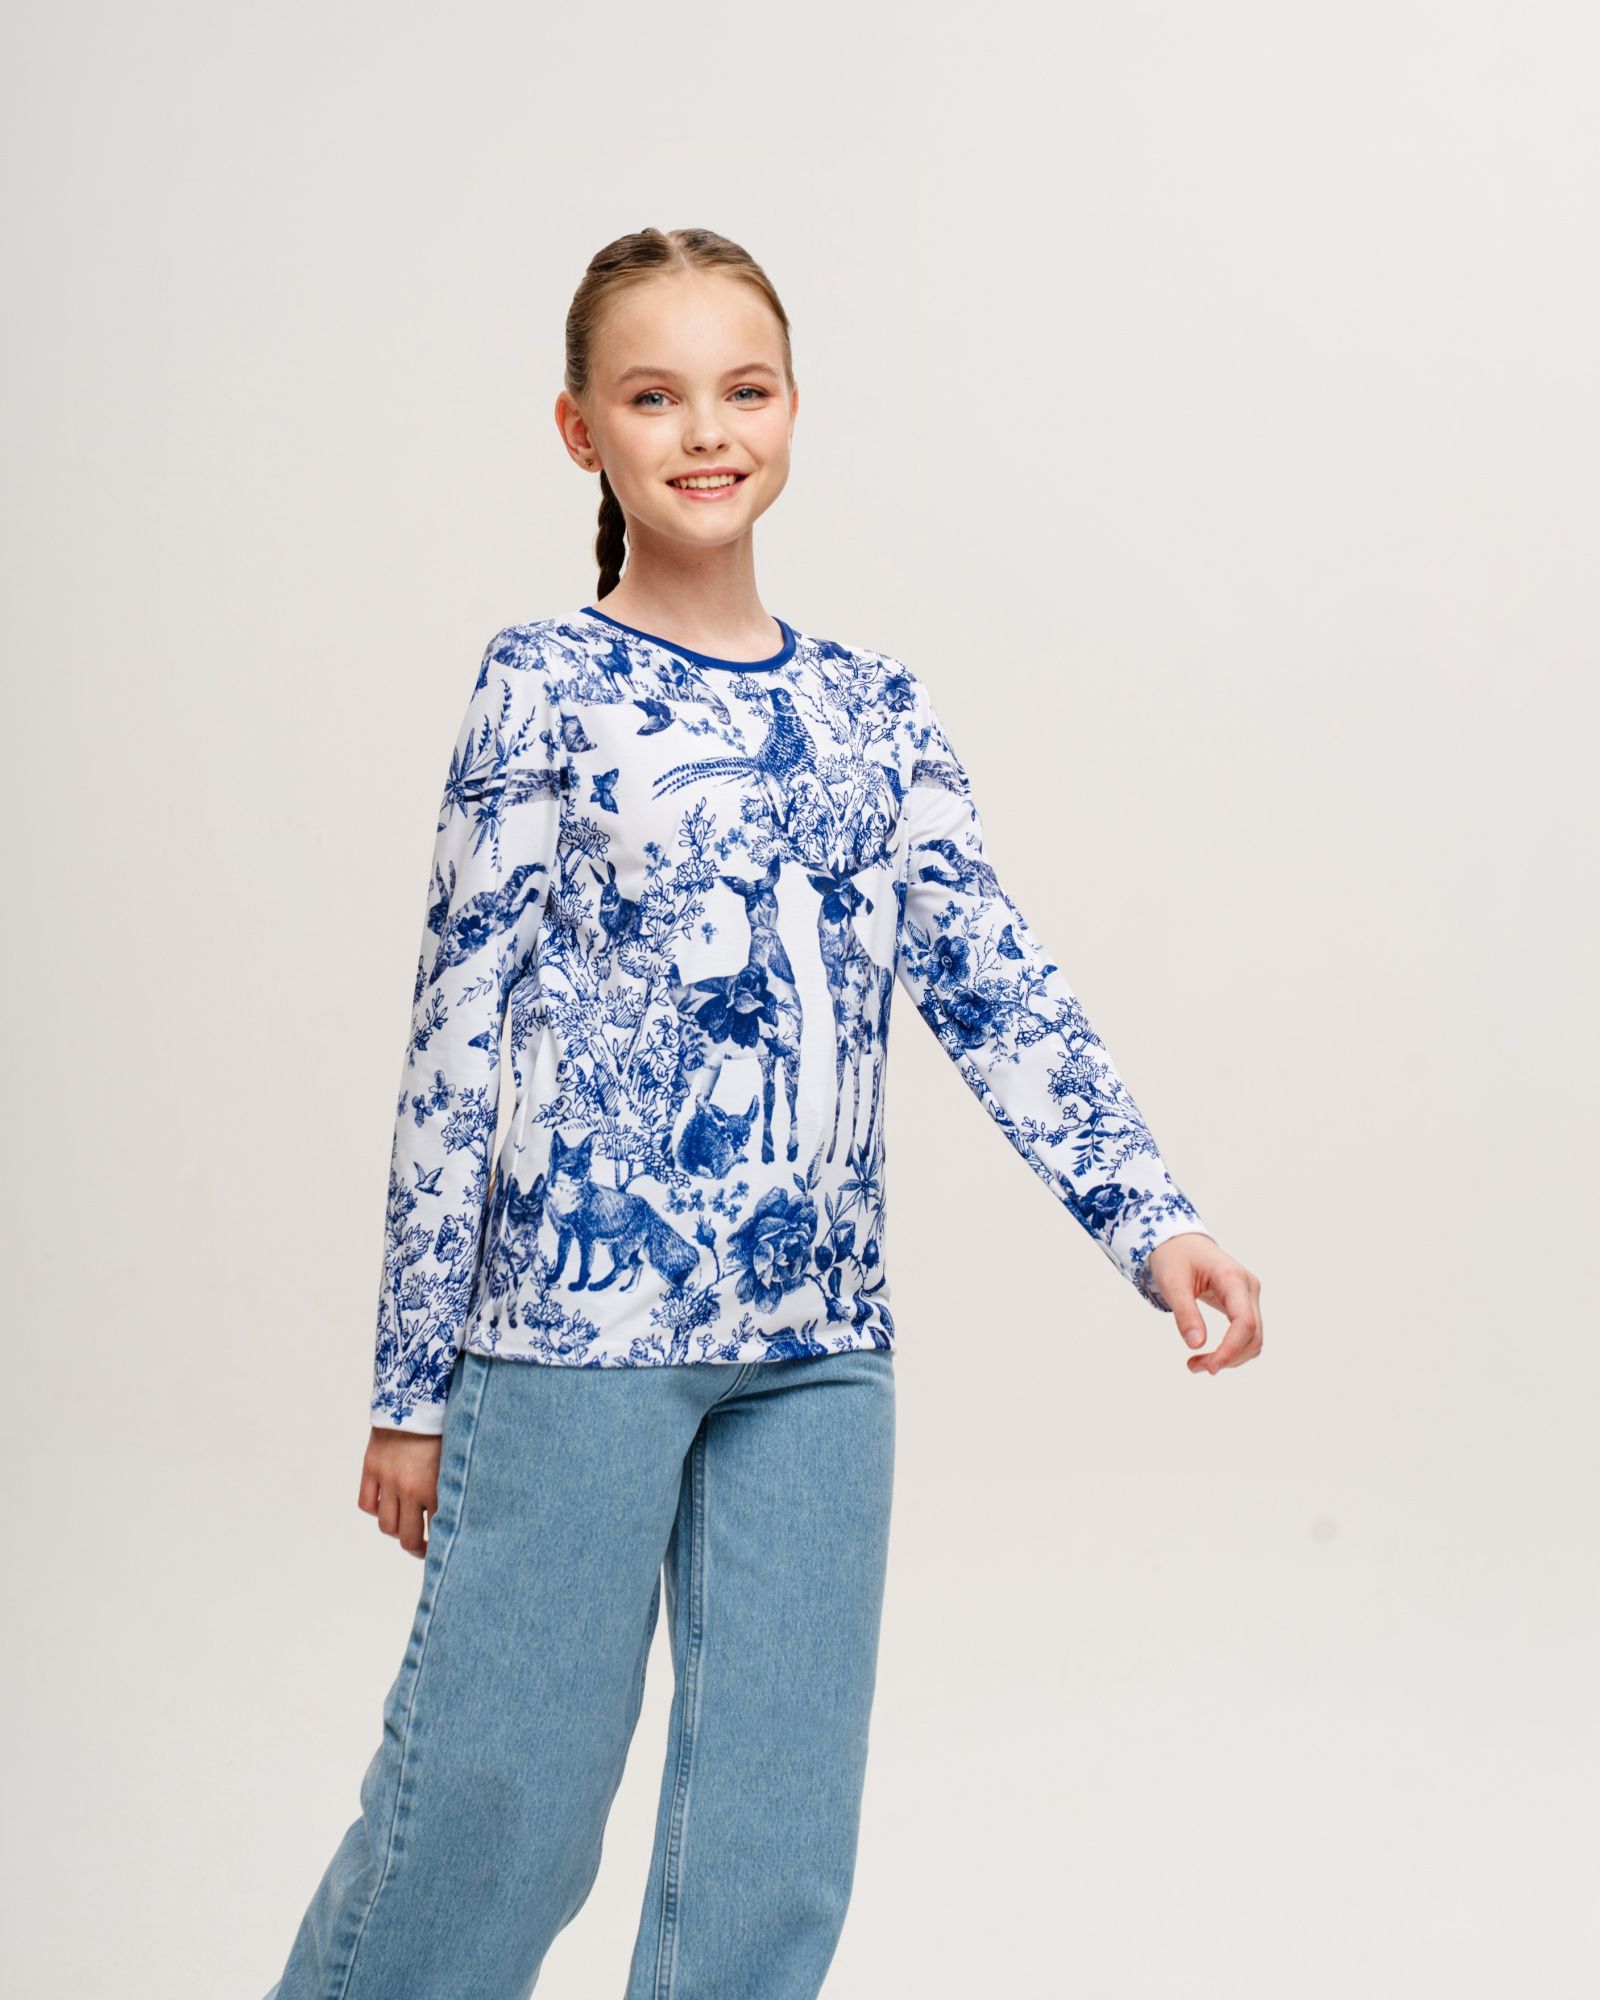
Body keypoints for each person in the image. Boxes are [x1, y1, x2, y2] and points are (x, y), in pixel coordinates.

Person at [263, 226, 1262, 2000]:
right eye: (655, 397)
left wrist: (1153, 1220)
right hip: (571, 1344)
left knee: (773, 1855)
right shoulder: (543, 683)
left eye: (744, 389)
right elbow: (457, 1038)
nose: (706, 430)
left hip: (819, 1348)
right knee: (495, 1815)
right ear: (581, 431)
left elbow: (990, 974)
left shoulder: (875, 709)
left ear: (795, 408)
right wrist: (410, 1387)